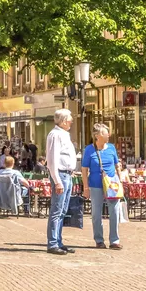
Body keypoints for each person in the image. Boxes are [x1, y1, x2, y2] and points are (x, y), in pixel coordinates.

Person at [82, 122, 122, 251]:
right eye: (106, 133)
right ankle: (99, 240)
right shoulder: (89, 149)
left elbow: (117, 165)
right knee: (96, 213)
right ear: (97, 135)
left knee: (114, 211)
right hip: (95, 185)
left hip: (111, 185)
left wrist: (120, 179)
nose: (109, 135)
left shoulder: (111, 148)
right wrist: (86, 188)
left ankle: (114, 240)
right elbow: (84, 170)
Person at [45, 108, 78, 256]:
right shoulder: (55, 135)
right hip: (61, 175)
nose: (71, 121)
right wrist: (57, 180)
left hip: (67, 175)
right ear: (64, 121)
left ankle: (58, 241)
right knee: (57, 210)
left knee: (63, 210)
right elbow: (52, 160)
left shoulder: (64, 134)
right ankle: (52, 243)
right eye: (70, 118)